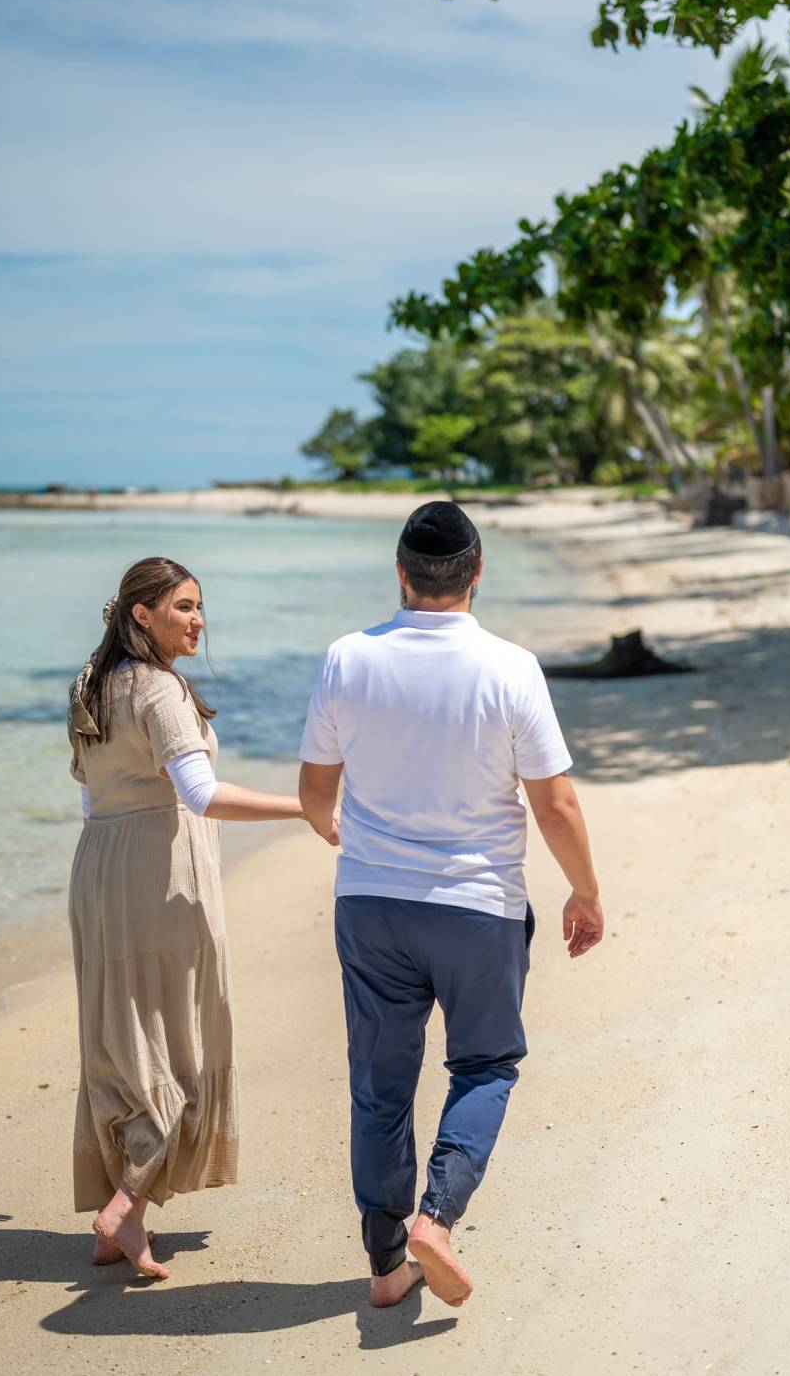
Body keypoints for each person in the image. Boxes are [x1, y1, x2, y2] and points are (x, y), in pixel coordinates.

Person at [298, 502, 603, 1310]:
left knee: (380, 1084)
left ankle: (386, 1265)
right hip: (477, 907)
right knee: (485, 1064)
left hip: (371, 905)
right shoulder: (511, 667)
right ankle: (436, 1218)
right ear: (477, 573)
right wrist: (585, 890)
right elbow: (554, 804)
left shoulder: (346, 658)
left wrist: (348, 837)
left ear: (401, 573)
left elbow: (315, 793)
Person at [67, 556, 325, 1278]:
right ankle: (126, 1203)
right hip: (162, 876)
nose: (198, 621)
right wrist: (306, 807)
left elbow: (89, 798)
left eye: (200, 606)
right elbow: (201, 794)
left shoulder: (91, 684)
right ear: (141, 614)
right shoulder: (160, 691)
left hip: (99, 869)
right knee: (178, 1039)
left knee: (121, 1041)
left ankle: (122, 1216)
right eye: (183, 606)